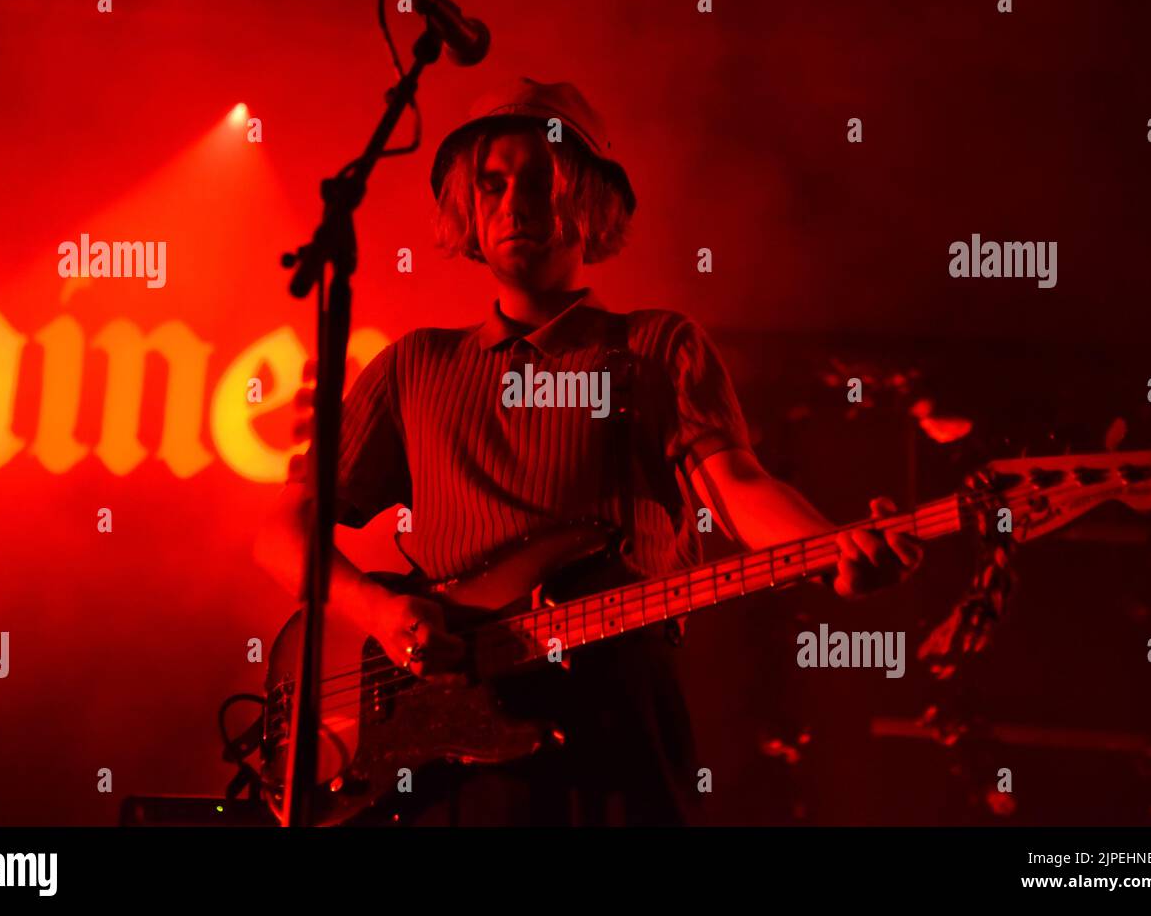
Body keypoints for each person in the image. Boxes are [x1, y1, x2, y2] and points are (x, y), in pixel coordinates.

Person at [253, 77, 922, 824]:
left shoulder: (657, 345)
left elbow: (739, 486)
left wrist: (831, 546)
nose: (514, 204)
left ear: (590, 199)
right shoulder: (415, 365)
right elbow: (284, 531)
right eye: (492, 183)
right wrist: (376, 609)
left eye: (541, 179)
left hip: (615, 722)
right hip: (446, 756)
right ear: (466, 209)